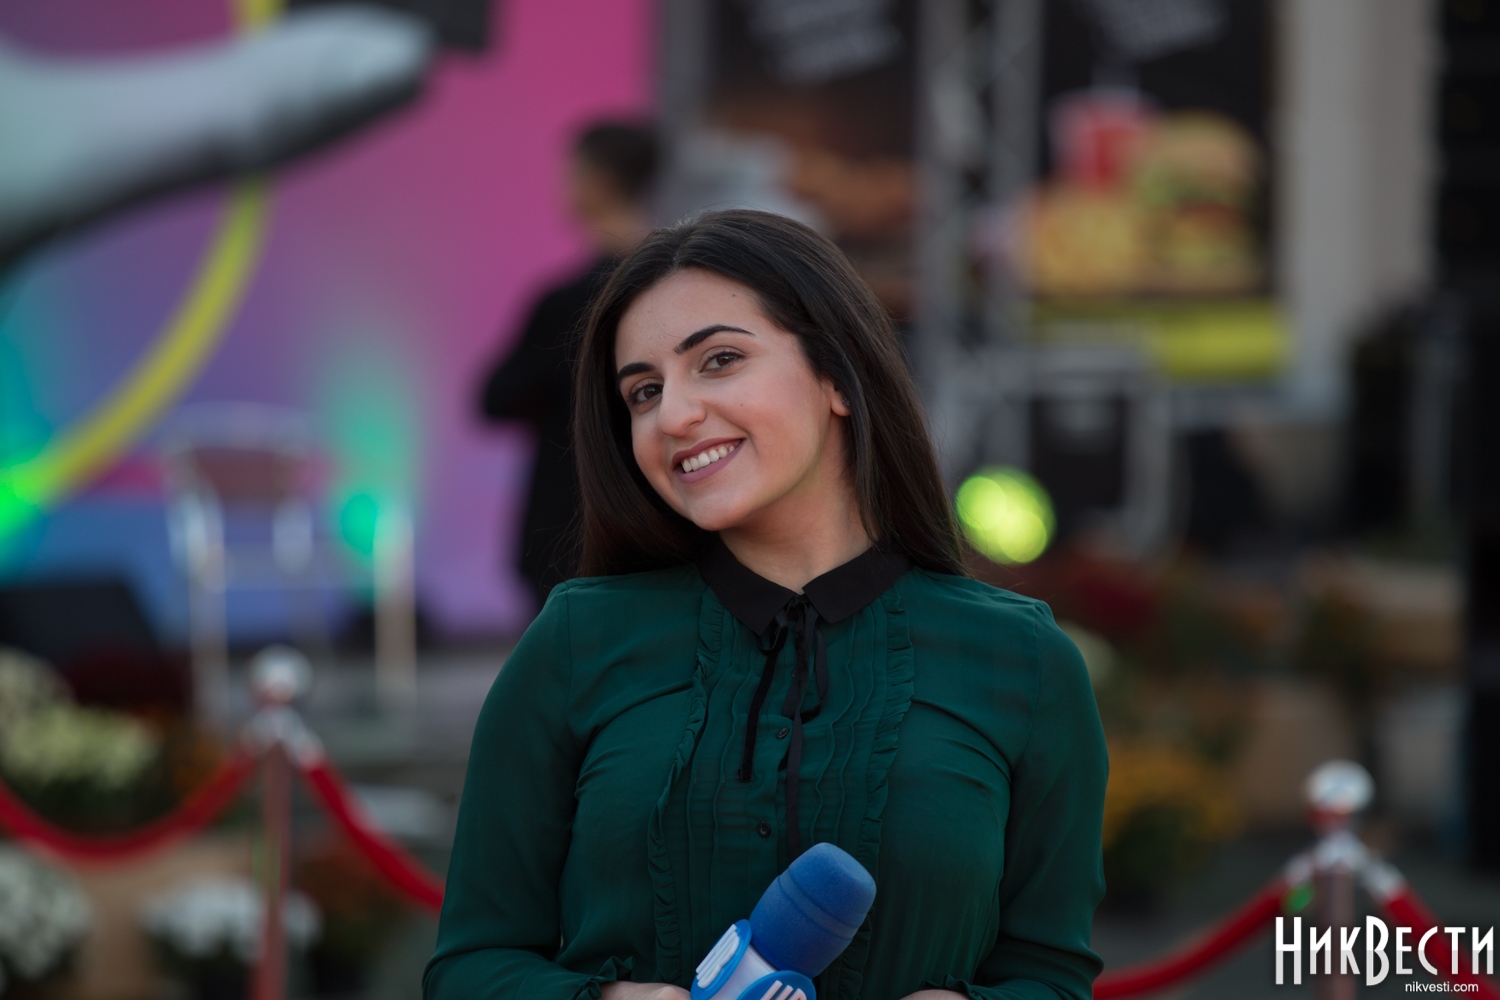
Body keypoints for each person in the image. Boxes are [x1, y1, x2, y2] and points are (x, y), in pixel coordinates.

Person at [428, 211, 1107, 1000]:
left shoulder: (1025, 662)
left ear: (837, 376)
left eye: (718, 361)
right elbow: (470, 967)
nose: (672, 416)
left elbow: (1051, 977)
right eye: (644, 392)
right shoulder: (575, 642)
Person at [479, 121, 658, 604]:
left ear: (598, 180)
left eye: (572, 173)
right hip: (658, 521)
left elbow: (494, 398)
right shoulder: (674, 286)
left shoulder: (567, 303)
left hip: (569, 521)